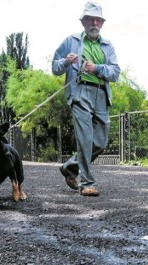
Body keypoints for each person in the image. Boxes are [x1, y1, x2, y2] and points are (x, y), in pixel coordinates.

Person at [52, 1, 121, 196]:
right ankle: (87, 183)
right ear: (83, 22)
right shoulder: (70, 41)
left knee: (100, 142)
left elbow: (116, 73)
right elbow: (55, 68)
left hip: (101, 93)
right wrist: (66, 61)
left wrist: (97, 68)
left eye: (98, 20)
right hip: (80, 92)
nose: (94, 23)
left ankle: (70, 167)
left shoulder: (107, 46)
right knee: (85, 139)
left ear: (102, 24)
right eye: (90, 19)